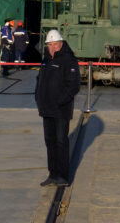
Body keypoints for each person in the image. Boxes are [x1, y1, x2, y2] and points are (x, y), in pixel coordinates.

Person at [34, 29, 81, 186]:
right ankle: (52, 174)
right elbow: (39, 80)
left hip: (60, 110)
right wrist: (38, 98)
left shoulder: (69, 60)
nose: (52, 48)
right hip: (46, 109)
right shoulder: (46, 60)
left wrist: (61, 101)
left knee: (61, 142)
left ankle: (63, 176)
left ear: (61, 44)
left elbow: (73, 85)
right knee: (50, 141)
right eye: (50, 45)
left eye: (55, 44)